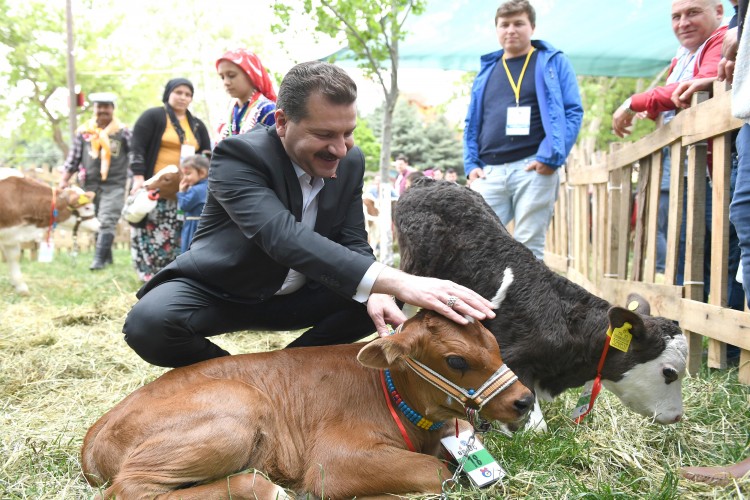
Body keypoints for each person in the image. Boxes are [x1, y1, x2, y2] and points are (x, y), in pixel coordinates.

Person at [122, 61, 496, 368]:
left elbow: (351, 238)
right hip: (225, 289)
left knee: (383, 300)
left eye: (347, 133)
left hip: (303, 294)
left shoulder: (351, 162)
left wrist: (382, 289)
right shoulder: (239, 156)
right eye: (324, 134)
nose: (340, 148)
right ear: (282, 122)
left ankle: (288, 369)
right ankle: (237, 378)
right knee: (148, 324)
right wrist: (399, 279)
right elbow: (281, 237)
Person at [612, 0, 727, 287]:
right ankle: (680, 326)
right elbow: (672, 99)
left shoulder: (723, 40)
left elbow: (691, 88)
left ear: (719, 11)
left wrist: (633, 101)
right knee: (683, 249)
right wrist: (651, 108)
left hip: (713, 167)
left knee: (722, 252)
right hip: (683, 169)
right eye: (676, 16)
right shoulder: (682, 56)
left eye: (693, 13)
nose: (683, 22)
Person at [463, 0, 583, 260]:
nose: (511, 30)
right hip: (489, 172)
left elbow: (573, 111)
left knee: (529, 248)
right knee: (477, 244)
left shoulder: (551, 61)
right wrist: (471, 164)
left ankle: (526, 303)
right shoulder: (488, 69)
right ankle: (485, 302)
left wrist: (551, 157)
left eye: (519, 23)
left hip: (534, 168)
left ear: (532, 27)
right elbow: (472, 121)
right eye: (504, 25)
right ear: (497, 29)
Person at [129, 78, 212, 282]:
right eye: (178, 92)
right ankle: (149, 274)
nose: (183, 97)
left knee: (179, 231)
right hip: (157, 186)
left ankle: (173, 272)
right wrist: (138, 177)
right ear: (168, 93)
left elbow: (206, 156)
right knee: (151, 229)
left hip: (185, 189)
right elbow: (137, 147)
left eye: (188, 94)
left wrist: (202, 180)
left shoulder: (197, 124)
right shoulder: (153, 116)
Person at [59, 92, 131, 271]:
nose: (103, 110)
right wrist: (63, 181)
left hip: (115, 183)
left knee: (108, 218)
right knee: (96, 220)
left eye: (107, 107)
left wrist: (134, 177)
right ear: (94, 109)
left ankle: (97, 262)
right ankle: (108, 258)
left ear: (112, 109)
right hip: (89, 184)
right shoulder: (84, 133)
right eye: (99, 107)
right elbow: (73, 159)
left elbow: (134, 155)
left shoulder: (123, 132)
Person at [215, 49, 277, 142]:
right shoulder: (229, 111)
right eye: (222, 77)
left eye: (231, 75)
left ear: (250, 74)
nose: (226, 82)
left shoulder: (267, 110)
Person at [176, 154, 209, 253]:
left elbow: (184, 206)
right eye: (183, 174)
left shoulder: (195, 190)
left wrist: (181, 192)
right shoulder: (209, 186)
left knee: (189, 251)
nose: (184, 178)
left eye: (188, 174)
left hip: (193, 226)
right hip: (205, 225)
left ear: (202, 173)